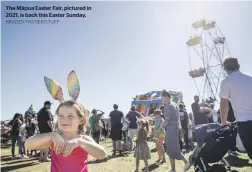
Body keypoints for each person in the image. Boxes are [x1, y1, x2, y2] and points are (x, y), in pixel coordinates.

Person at [25, 70, 106, 171]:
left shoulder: (84, 139)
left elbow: (102, 154)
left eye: (70, 116)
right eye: (61, 116)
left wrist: (80, 142)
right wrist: (52, 135)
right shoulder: (55, 139)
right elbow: (28, 144)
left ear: (81, 120)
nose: (65, 120)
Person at [219, 56, 252, 160]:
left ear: (225, 68)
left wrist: (223, 122)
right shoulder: (249, 78)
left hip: (244, 123)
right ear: (238, 66)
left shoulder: (226, 81)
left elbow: (224, 103)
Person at [159, 89, 189, 172]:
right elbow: (178, 120)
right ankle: (173, 168)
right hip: (175, 129)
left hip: (171, 129)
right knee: (173, 148)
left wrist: (160, 129)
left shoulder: (167, 106)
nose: (162, 100)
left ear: (167, 97)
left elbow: (167, 120)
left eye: (163, 98)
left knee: (171, 149)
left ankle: (184, 163)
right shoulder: (175, 105)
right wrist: (180, 129)